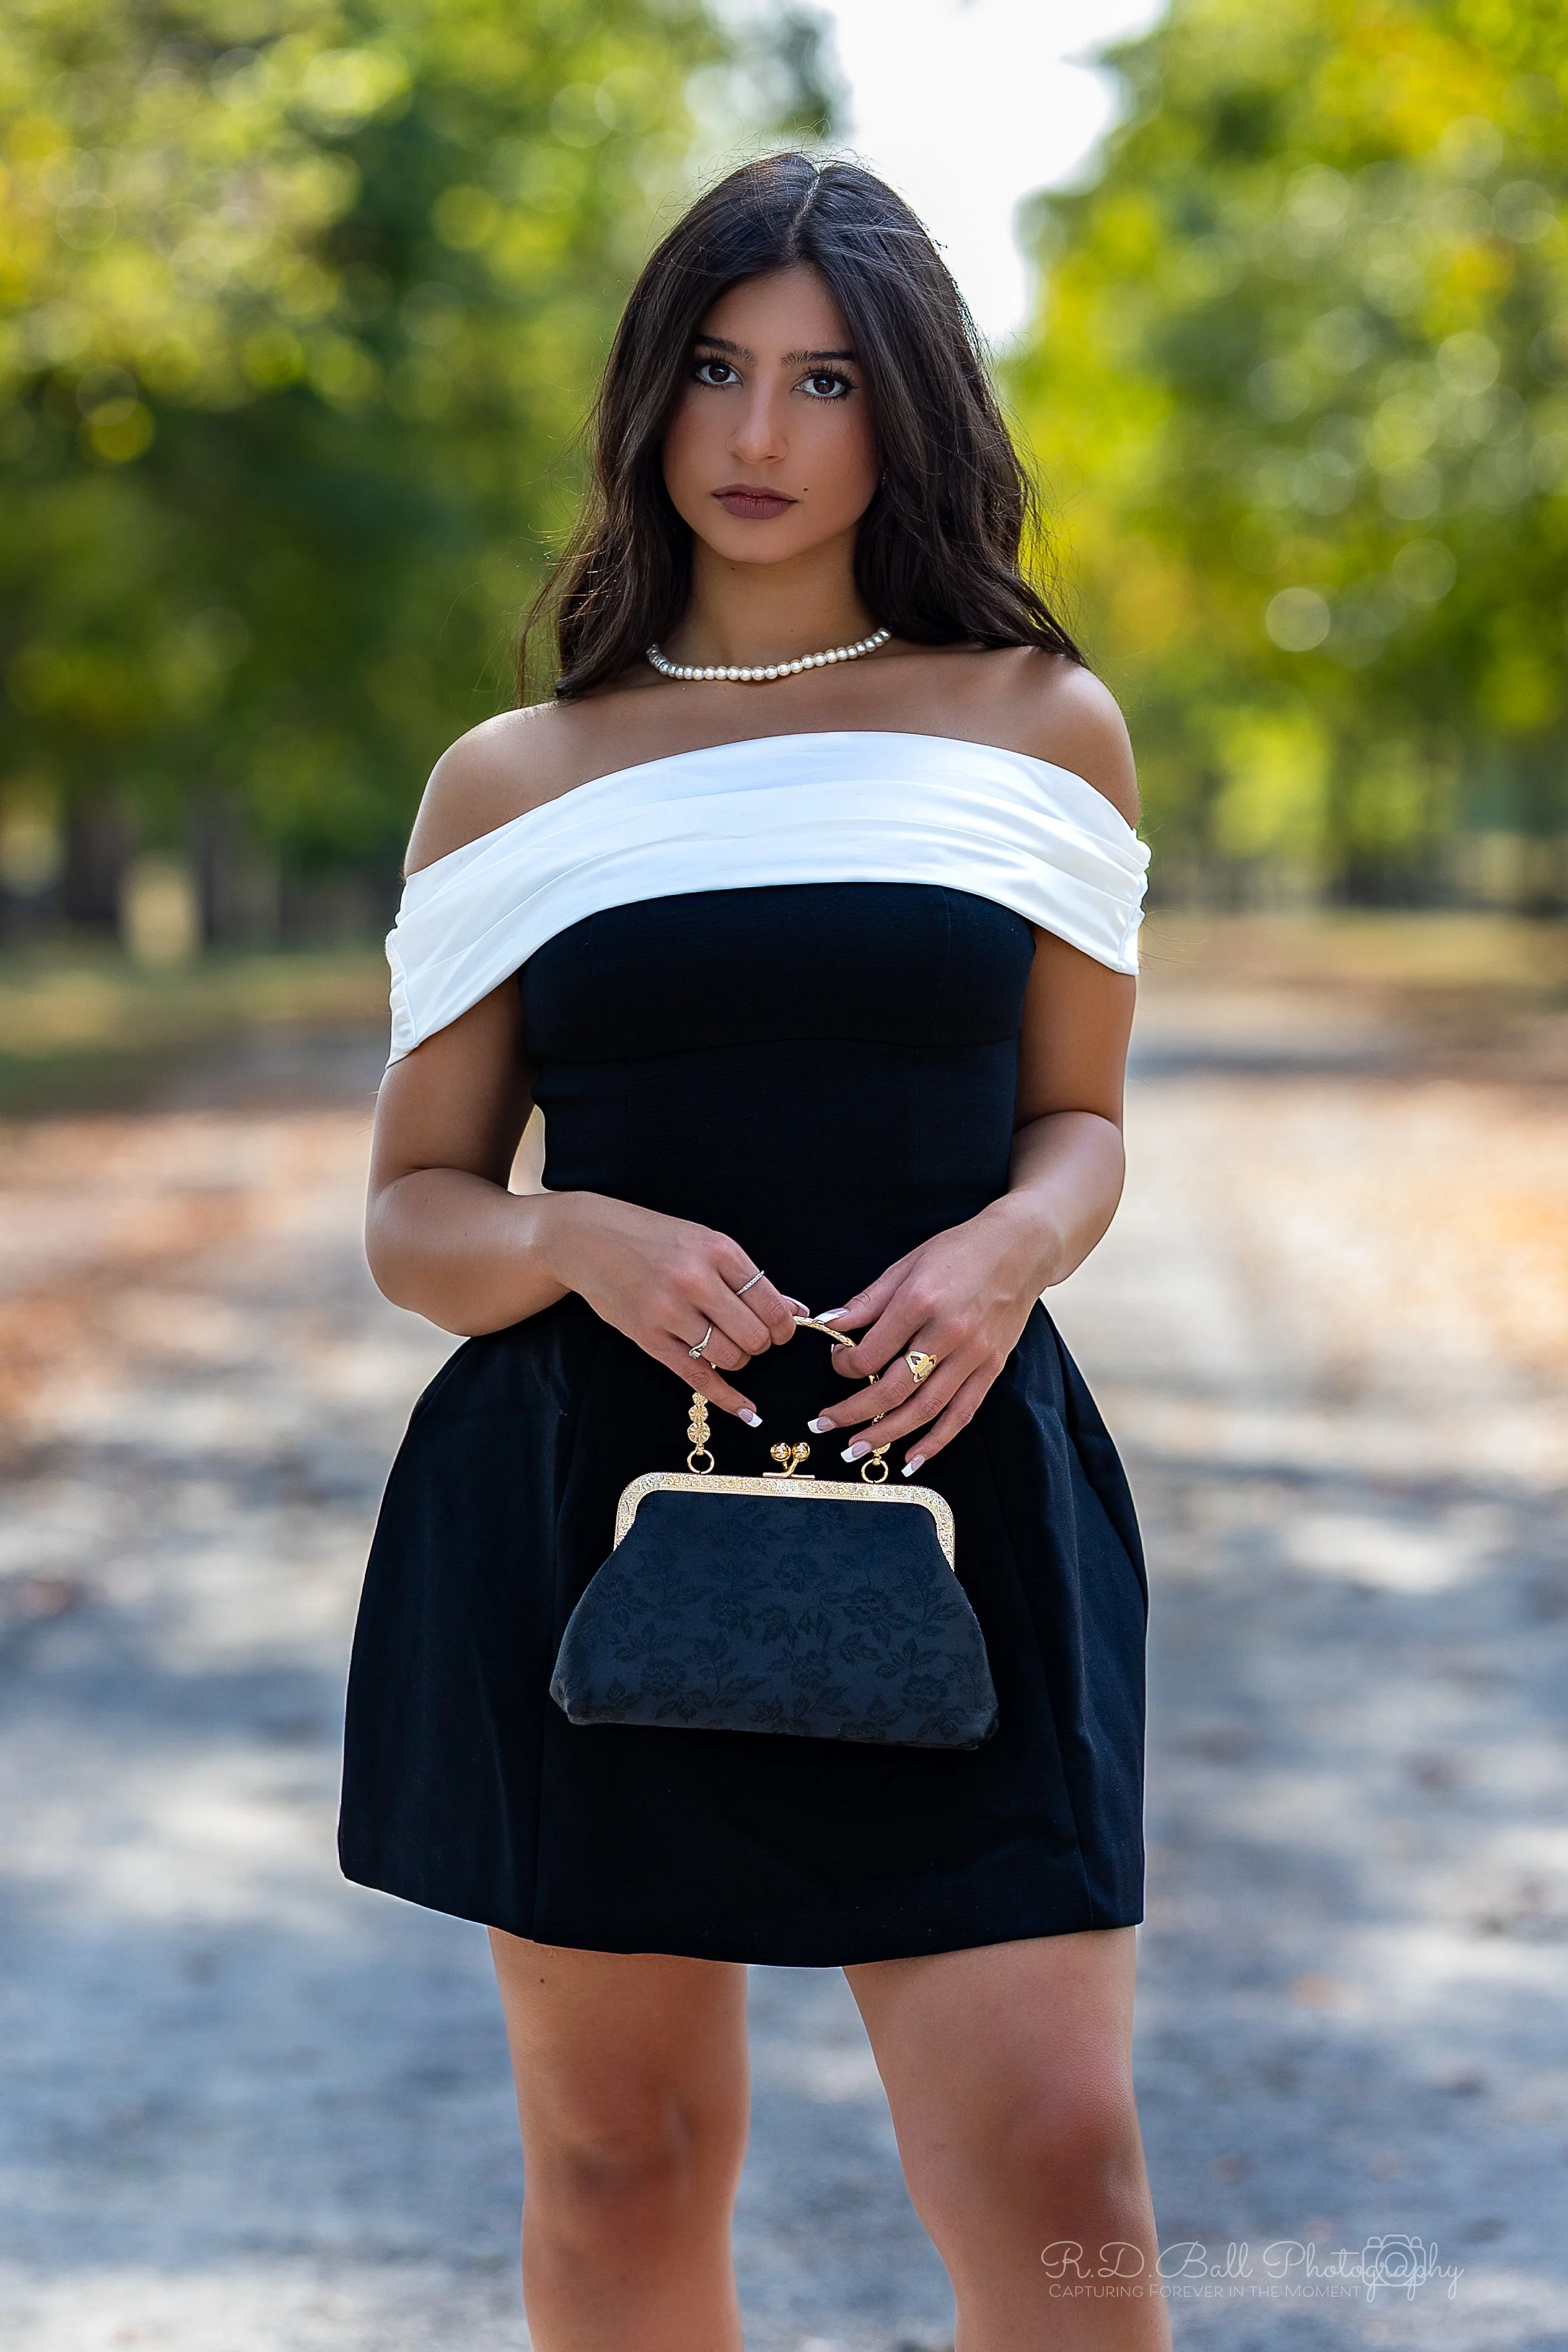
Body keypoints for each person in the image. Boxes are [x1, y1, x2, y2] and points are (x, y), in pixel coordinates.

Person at [339, 152, 1168, 2351]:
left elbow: (1083, 1123)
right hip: (583, 1514)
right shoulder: (514, 778)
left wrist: (1008, 1250)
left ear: (909, 410)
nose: (760, 434)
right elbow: (417, 1213)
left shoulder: (1038, 721)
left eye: (825, 379)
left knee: (1059, 2163)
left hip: (958, 1487)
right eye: (717, 369)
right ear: (650, 394)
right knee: (621, 2165)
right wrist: (571, 1234)